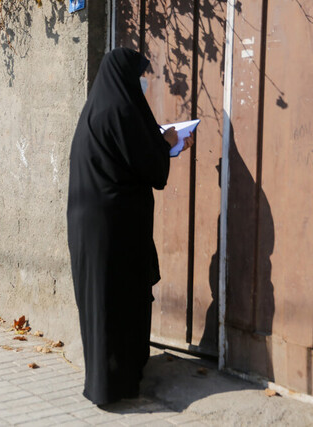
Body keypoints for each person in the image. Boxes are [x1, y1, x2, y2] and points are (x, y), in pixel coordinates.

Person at [67, 48, 195, 406]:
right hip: (113, 229)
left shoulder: (97, 108)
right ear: (125, 77)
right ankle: (114, 387)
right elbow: (152, 169)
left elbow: (127, 158)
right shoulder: (121, 110)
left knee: (103, 302)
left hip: (92, 225)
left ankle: (107, 380)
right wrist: (169, 143)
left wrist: (157, 143)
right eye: (139, 75)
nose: (142, 82)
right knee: (118, 301)